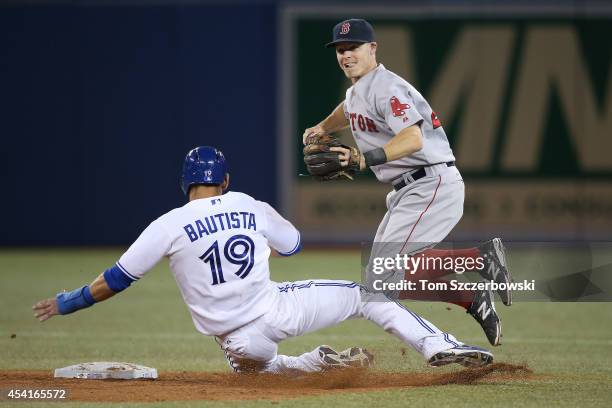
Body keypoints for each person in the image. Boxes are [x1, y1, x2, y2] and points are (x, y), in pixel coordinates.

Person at [33, 146, 493, 374]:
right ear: (226, 180)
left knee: (262, 370)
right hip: (276, 311)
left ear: (184, 185)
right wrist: (261, 243)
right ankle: (436, 345)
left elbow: (115, 279)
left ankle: (315, 365)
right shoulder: (248, 204)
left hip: (236, 344)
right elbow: (293, 243)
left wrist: (67, 302)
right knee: (365, 295)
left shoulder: (167, 225)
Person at [302, 18, 512, 347]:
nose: (346, 55)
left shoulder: (386, 86)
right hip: (410, 188)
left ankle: (480, 258)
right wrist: (323, 127)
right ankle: (473, 299)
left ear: (372, 48)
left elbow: (413, 137)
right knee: (379, 282)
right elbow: (349, 108)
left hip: (431, 183)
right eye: (340, 50)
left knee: (386, 272)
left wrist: (362, 159)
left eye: (353, 47)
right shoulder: (360, 89)